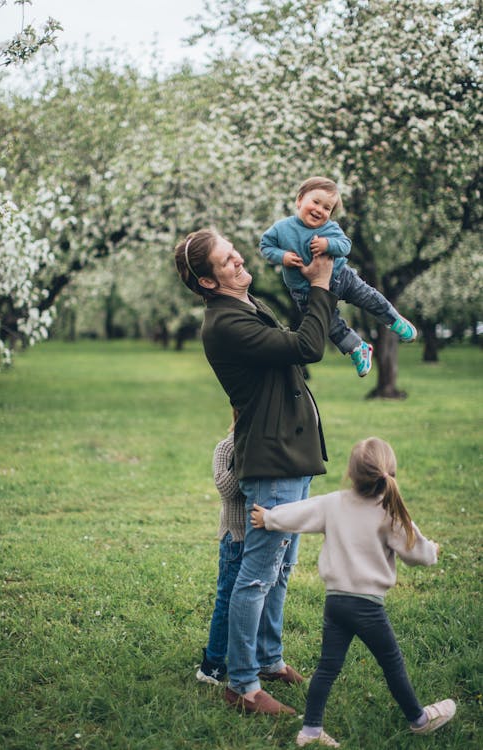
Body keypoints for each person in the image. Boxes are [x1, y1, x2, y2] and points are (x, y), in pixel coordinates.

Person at [175, 227, 337, 715]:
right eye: (226, 260)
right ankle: (242, 685)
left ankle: (268, 660)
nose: (239, 259)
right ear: (208, 282)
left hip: (291, 454)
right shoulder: (224, 323)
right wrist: (323, 285)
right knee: (257, 575)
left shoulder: (244, 307)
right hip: (272, 461)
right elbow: (307, 346)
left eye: (233, 251)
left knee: (281, 569)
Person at [251, 437, 456, 747]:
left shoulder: (334, 503)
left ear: (350, 473)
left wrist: (268, 518)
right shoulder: (390, 511)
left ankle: (310, 730)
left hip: (336, 603)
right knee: (392, 663)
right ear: (390, 475)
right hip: (367, 607)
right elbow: (417, 554)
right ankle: (419, 719)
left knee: (327, 667)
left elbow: (299, 513)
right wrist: (434, 552)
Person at [260, 176, 417, 377]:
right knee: (330, 326)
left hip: (341, 277)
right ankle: (357, 348)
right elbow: (265, 246)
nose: (319, 210)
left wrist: (328, 245)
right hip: (305, 291)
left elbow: (345, 246)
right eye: (315, 202)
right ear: (299, 200)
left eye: (327, 208)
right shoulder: (282, 228)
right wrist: (282, 256)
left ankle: (393, 319)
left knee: (368, 297)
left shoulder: (330, 229)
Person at [196, 409, 245, 686]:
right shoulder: (227, 446)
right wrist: (244, 452)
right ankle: (213, 664)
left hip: (261, 535)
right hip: (235, 536)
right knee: (227, 600)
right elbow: (226, 489)